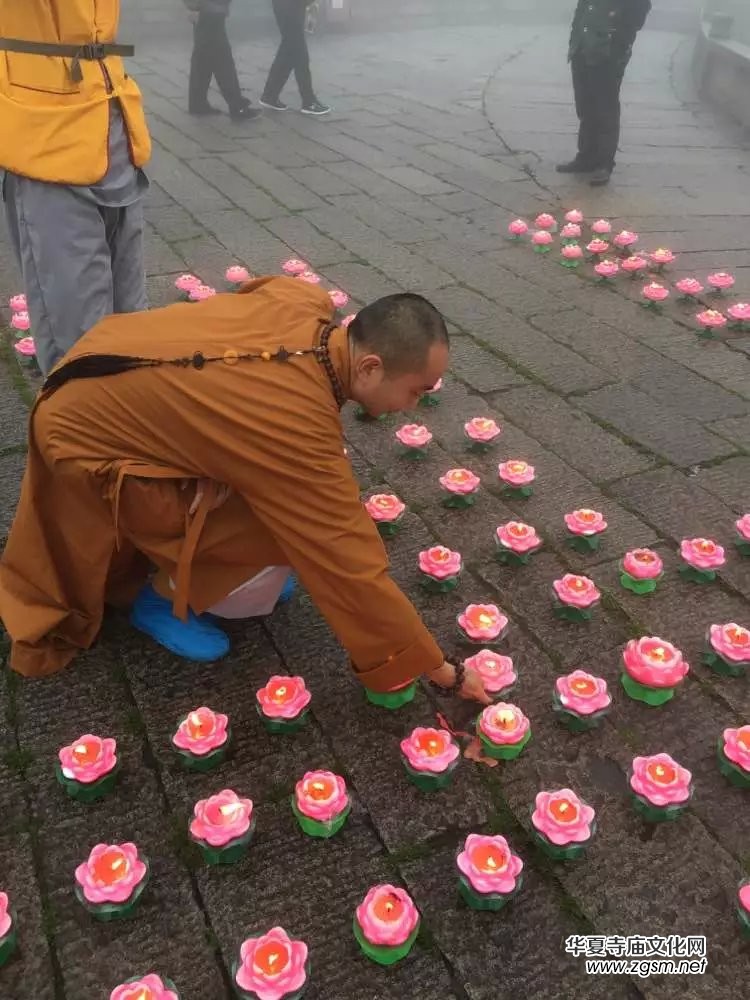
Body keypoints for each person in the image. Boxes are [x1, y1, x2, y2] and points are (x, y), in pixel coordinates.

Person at [0, 278, 490, 707]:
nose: (416, 405)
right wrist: (442, 670)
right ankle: (163, 596)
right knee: (287, 528)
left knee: (291, 503)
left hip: (95, 363)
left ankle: (210, 570)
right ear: (368, 367)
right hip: (81, 439)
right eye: (416, 391)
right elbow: (349, 561)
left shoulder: (304, 301)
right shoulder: (296, 424)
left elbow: (262, 289)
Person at [0, 1, 151, 376]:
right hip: (43, 136)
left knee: (135, 322)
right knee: (80, 340)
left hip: (115, 121)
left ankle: (131, 420)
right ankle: (82, 429)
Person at [557, 0, 652, 186]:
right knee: (585, 106)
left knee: (605, 109)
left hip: (608, 54)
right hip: (582, 50)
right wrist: (575, 40)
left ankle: (604, 163)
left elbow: (638, 13)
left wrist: (618, 43)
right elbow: (582, 10)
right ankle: (586, 156)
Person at [184, 0, 260, 120]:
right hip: (210, 8)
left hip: (205, 8)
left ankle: (197, 102)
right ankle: (236, 105)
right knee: (222, 58)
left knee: (203, 55)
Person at [260, 0, 330, 115]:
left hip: (290, 5)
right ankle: (308, 101)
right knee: (299, 53)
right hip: (290, 5)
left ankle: (270, 95)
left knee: (288, 50)